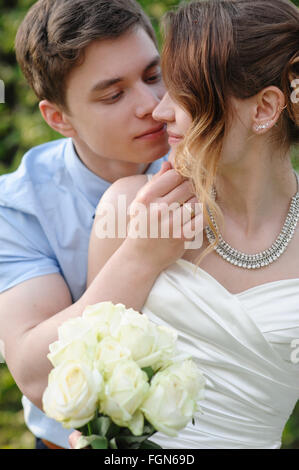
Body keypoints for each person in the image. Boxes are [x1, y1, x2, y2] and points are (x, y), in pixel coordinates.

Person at [81, 0, 299, 449]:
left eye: (184, 93)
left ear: (264, 109)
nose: (160, 113)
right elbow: (83, 373)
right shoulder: (128, 207)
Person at [0, 0, 193, 450]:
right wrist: (140, 257)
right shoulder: (16, 207)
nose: (152, 105)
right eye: (113, 94)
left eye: (153, 75)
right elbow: (33, 372)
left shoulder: (212, 158)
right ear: (58, 118)